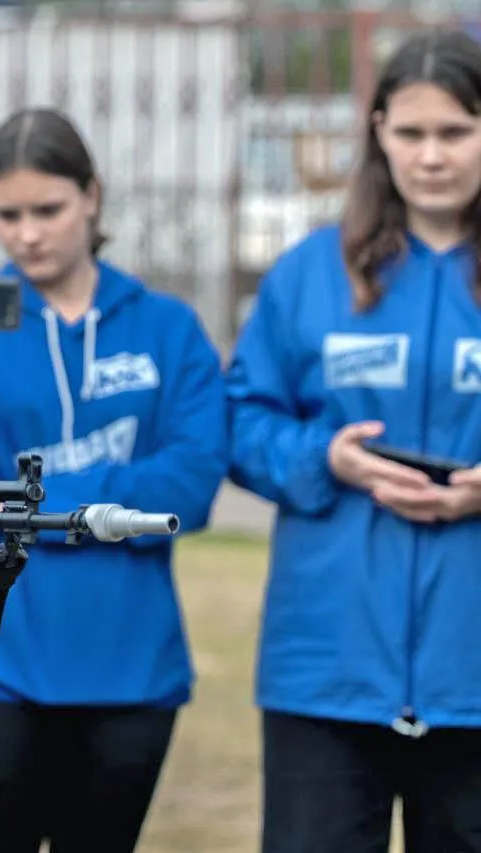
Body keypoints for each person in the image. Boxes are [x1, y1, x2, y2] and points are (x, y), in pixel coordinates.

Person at [0, 106, 228, 853]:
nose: (27, 232)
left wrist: (41, 499)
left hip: (128, 667)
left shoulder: (167, 327)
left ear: (92, 195)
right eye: (7, 214)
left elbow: (192, 481)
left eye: (48, 209)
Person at [226, 29, 481, 853]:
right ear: (377, 132)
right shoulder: (308, 275)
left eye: (456, 131)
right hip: (327, 668)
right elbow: (240, 421)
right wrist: (323, 458)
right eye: (411, 133)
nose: (432, 156)